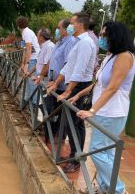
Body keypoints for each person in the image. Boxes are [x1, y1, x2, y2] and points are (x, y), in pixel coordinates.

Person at [70, 21, 135, 194]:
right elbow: (97, 83)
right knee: (107, 153)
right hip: (103, 111)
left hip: (112, 113)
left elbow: (112, 87)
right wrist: (78, 95)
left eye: (105, 35)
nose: (101, 38)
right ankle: (106, 188)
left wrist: (92, 110)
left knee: (97, 151)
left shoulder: (125, 57)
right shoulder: (110, 56)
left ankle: (118, 190)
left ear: (115, 36)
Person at [47, 12, 97, 173]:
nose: (70, 26)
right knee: (73, 122)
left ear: (80, 25)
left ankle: (76, 159)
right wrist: (56, 84)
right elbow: (68, 66)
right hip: (74, 84)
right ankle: (75, 155)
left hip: (79, 85)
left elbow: (79, 70)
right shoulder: (77, 42)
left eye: (72, 23)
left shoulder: (85, 43)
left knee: (73, 123)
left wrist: (68, 91)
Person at [35, 19, 77, 143]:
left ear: (65, 30)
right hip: (53, 82)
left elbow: (67, 64)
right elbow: (51, 60)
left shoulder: (70, 42)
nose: (57, 30)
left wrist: (56, 82)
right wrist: (42, 76)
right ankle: (50, 136)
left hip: (62, 85)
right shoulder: (59, 42)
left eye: (58, 28)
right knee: (48, 109)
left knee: (59, 113)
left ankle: (58, 138)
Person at [16, 16, 41, 104]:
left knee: (32, 82)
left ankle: (34, 104)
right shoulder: (25, 32)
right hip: (32, 58)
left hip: (34, 59)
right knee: (28, 80)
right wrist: (23, 64)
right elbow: (25, 50)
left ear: (18, 25)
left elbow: (29, 48)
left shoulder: (27, 33)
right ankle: (28, 101)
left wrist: (26, 64)